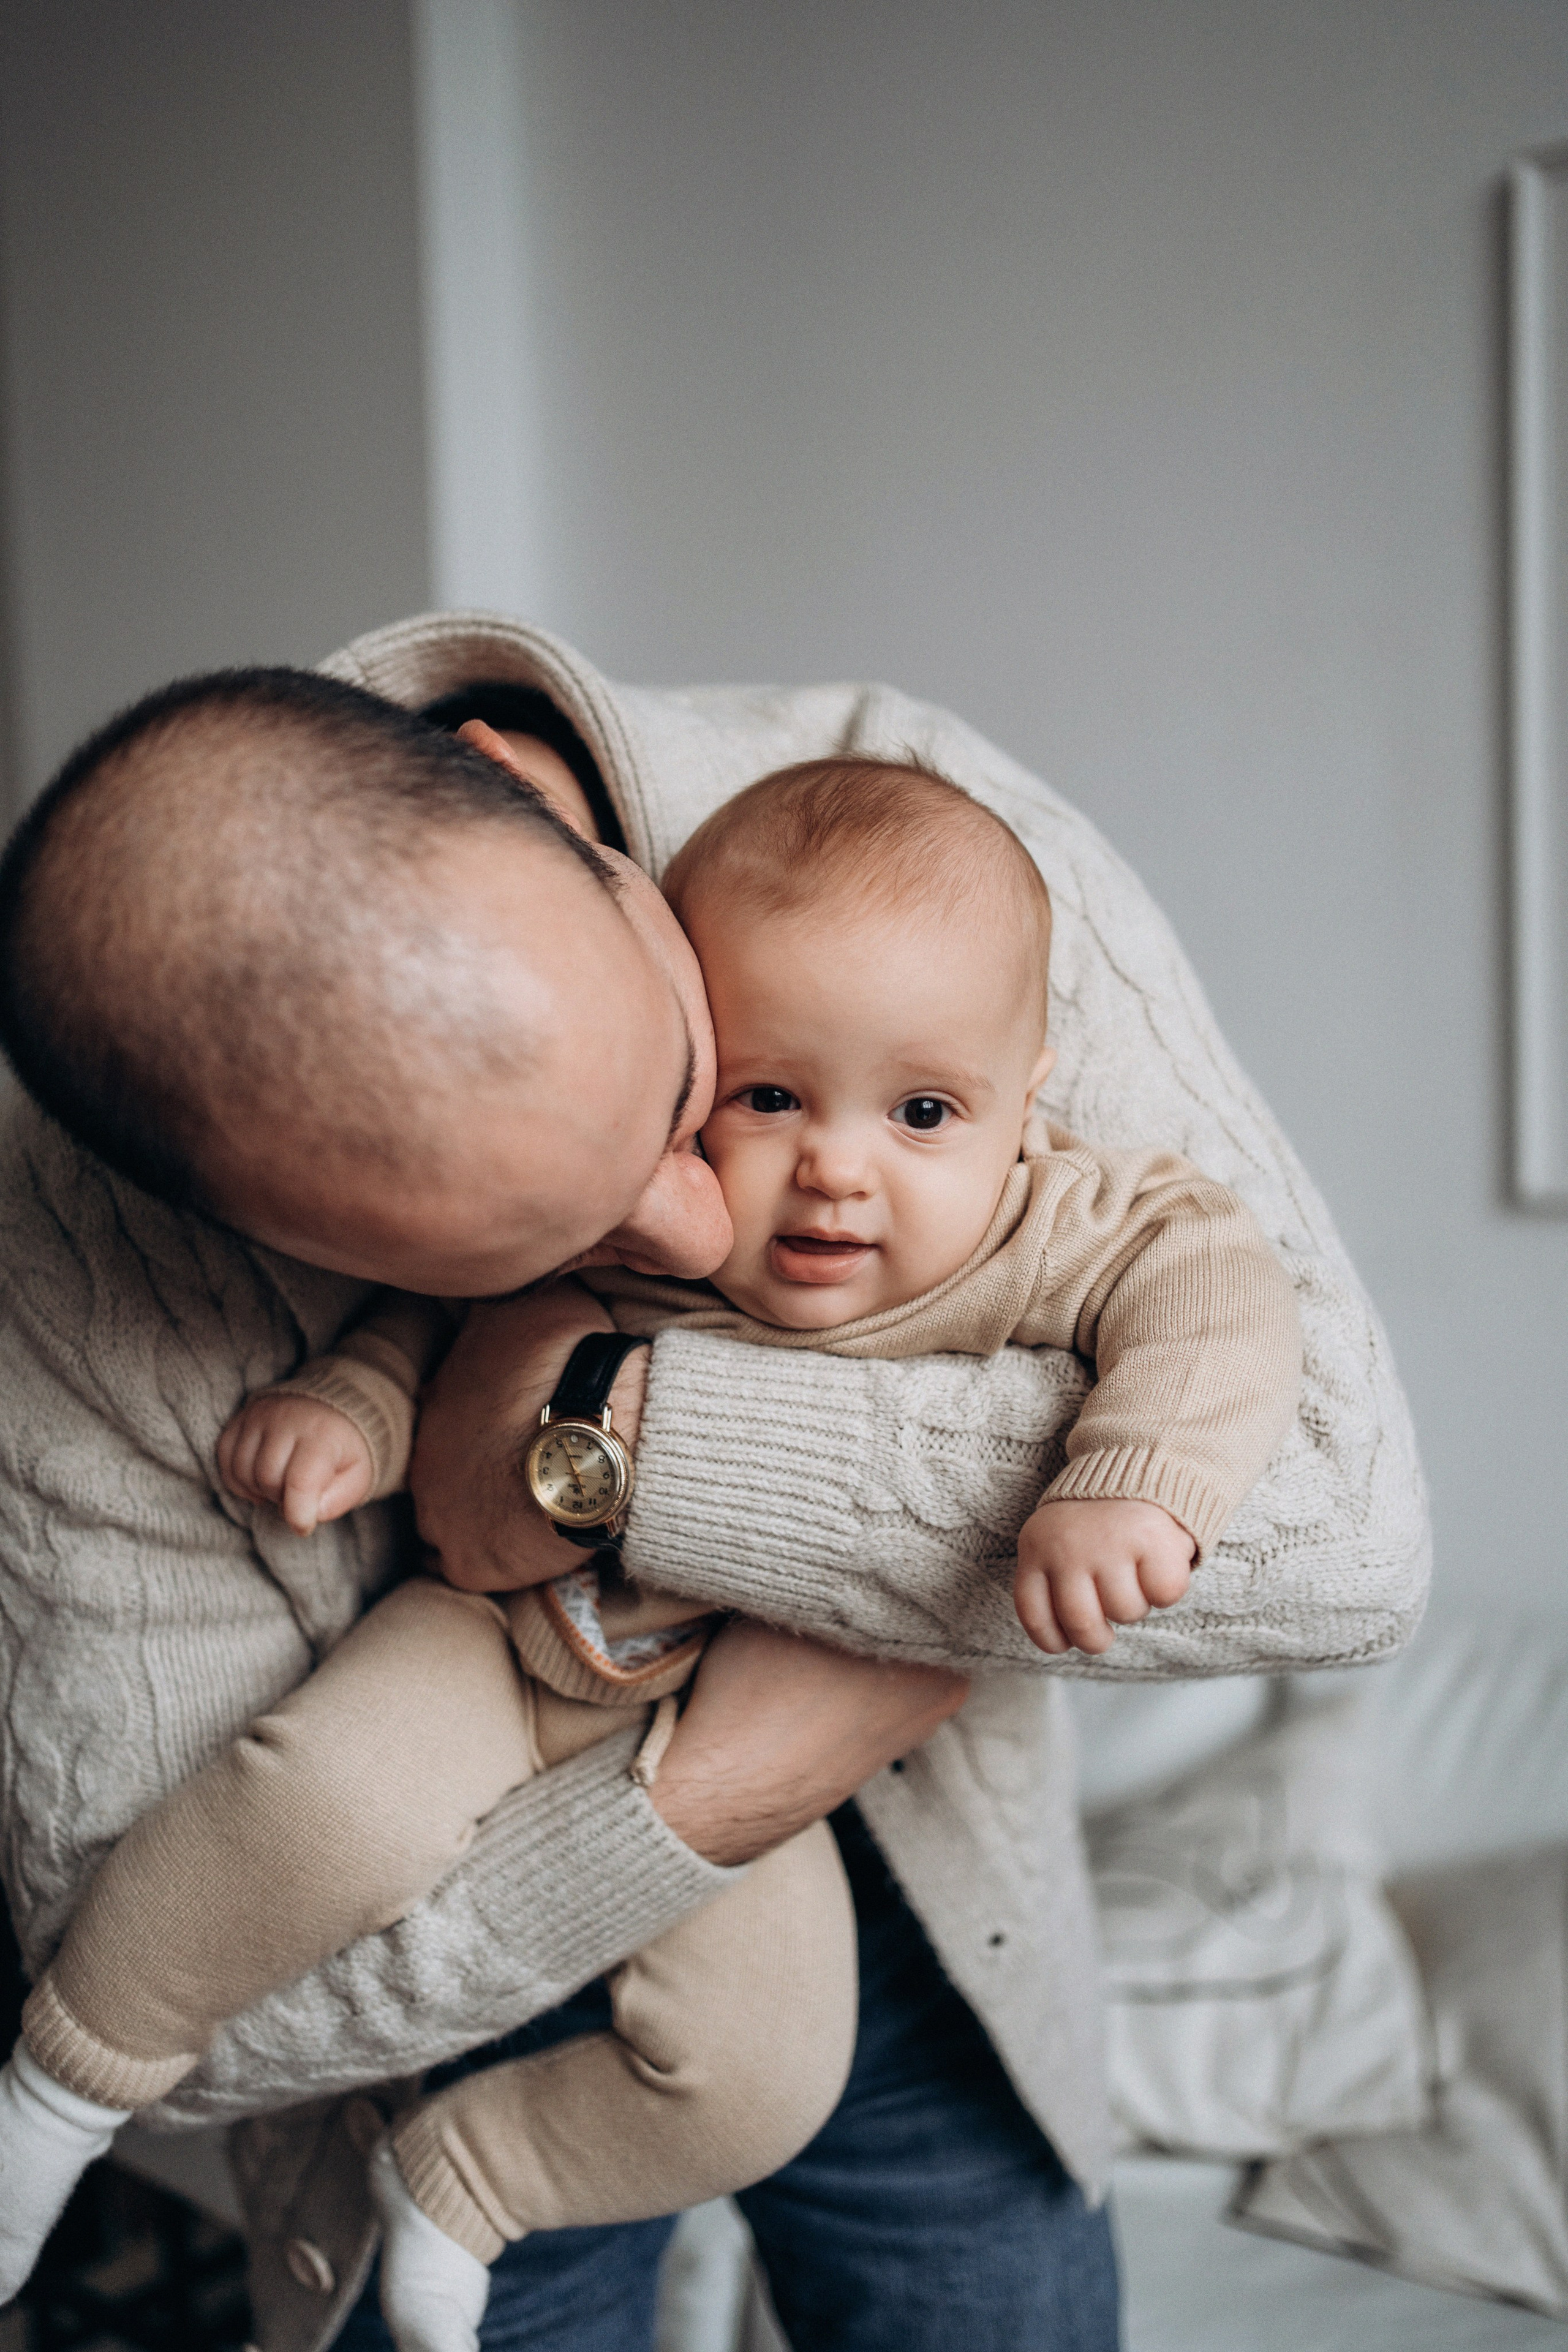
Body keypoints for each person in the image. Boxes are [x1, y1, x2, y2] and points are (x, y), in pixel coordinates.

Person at [0, 612, 1430, 2352]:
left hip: (914, 1887)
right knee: (323, 1800)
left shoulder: (935, 874)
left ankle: (483, 2176)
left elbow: (1336, 1528)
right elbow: (213, 1999)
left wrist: (628, 1440)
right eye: (750, 1102)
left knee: (772, 2078)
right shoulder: (70, 1262)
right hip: (443, 1883)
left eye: (675, 1097)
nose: (707, 1229)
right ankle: (61, 2111)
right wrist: (379, 1416)